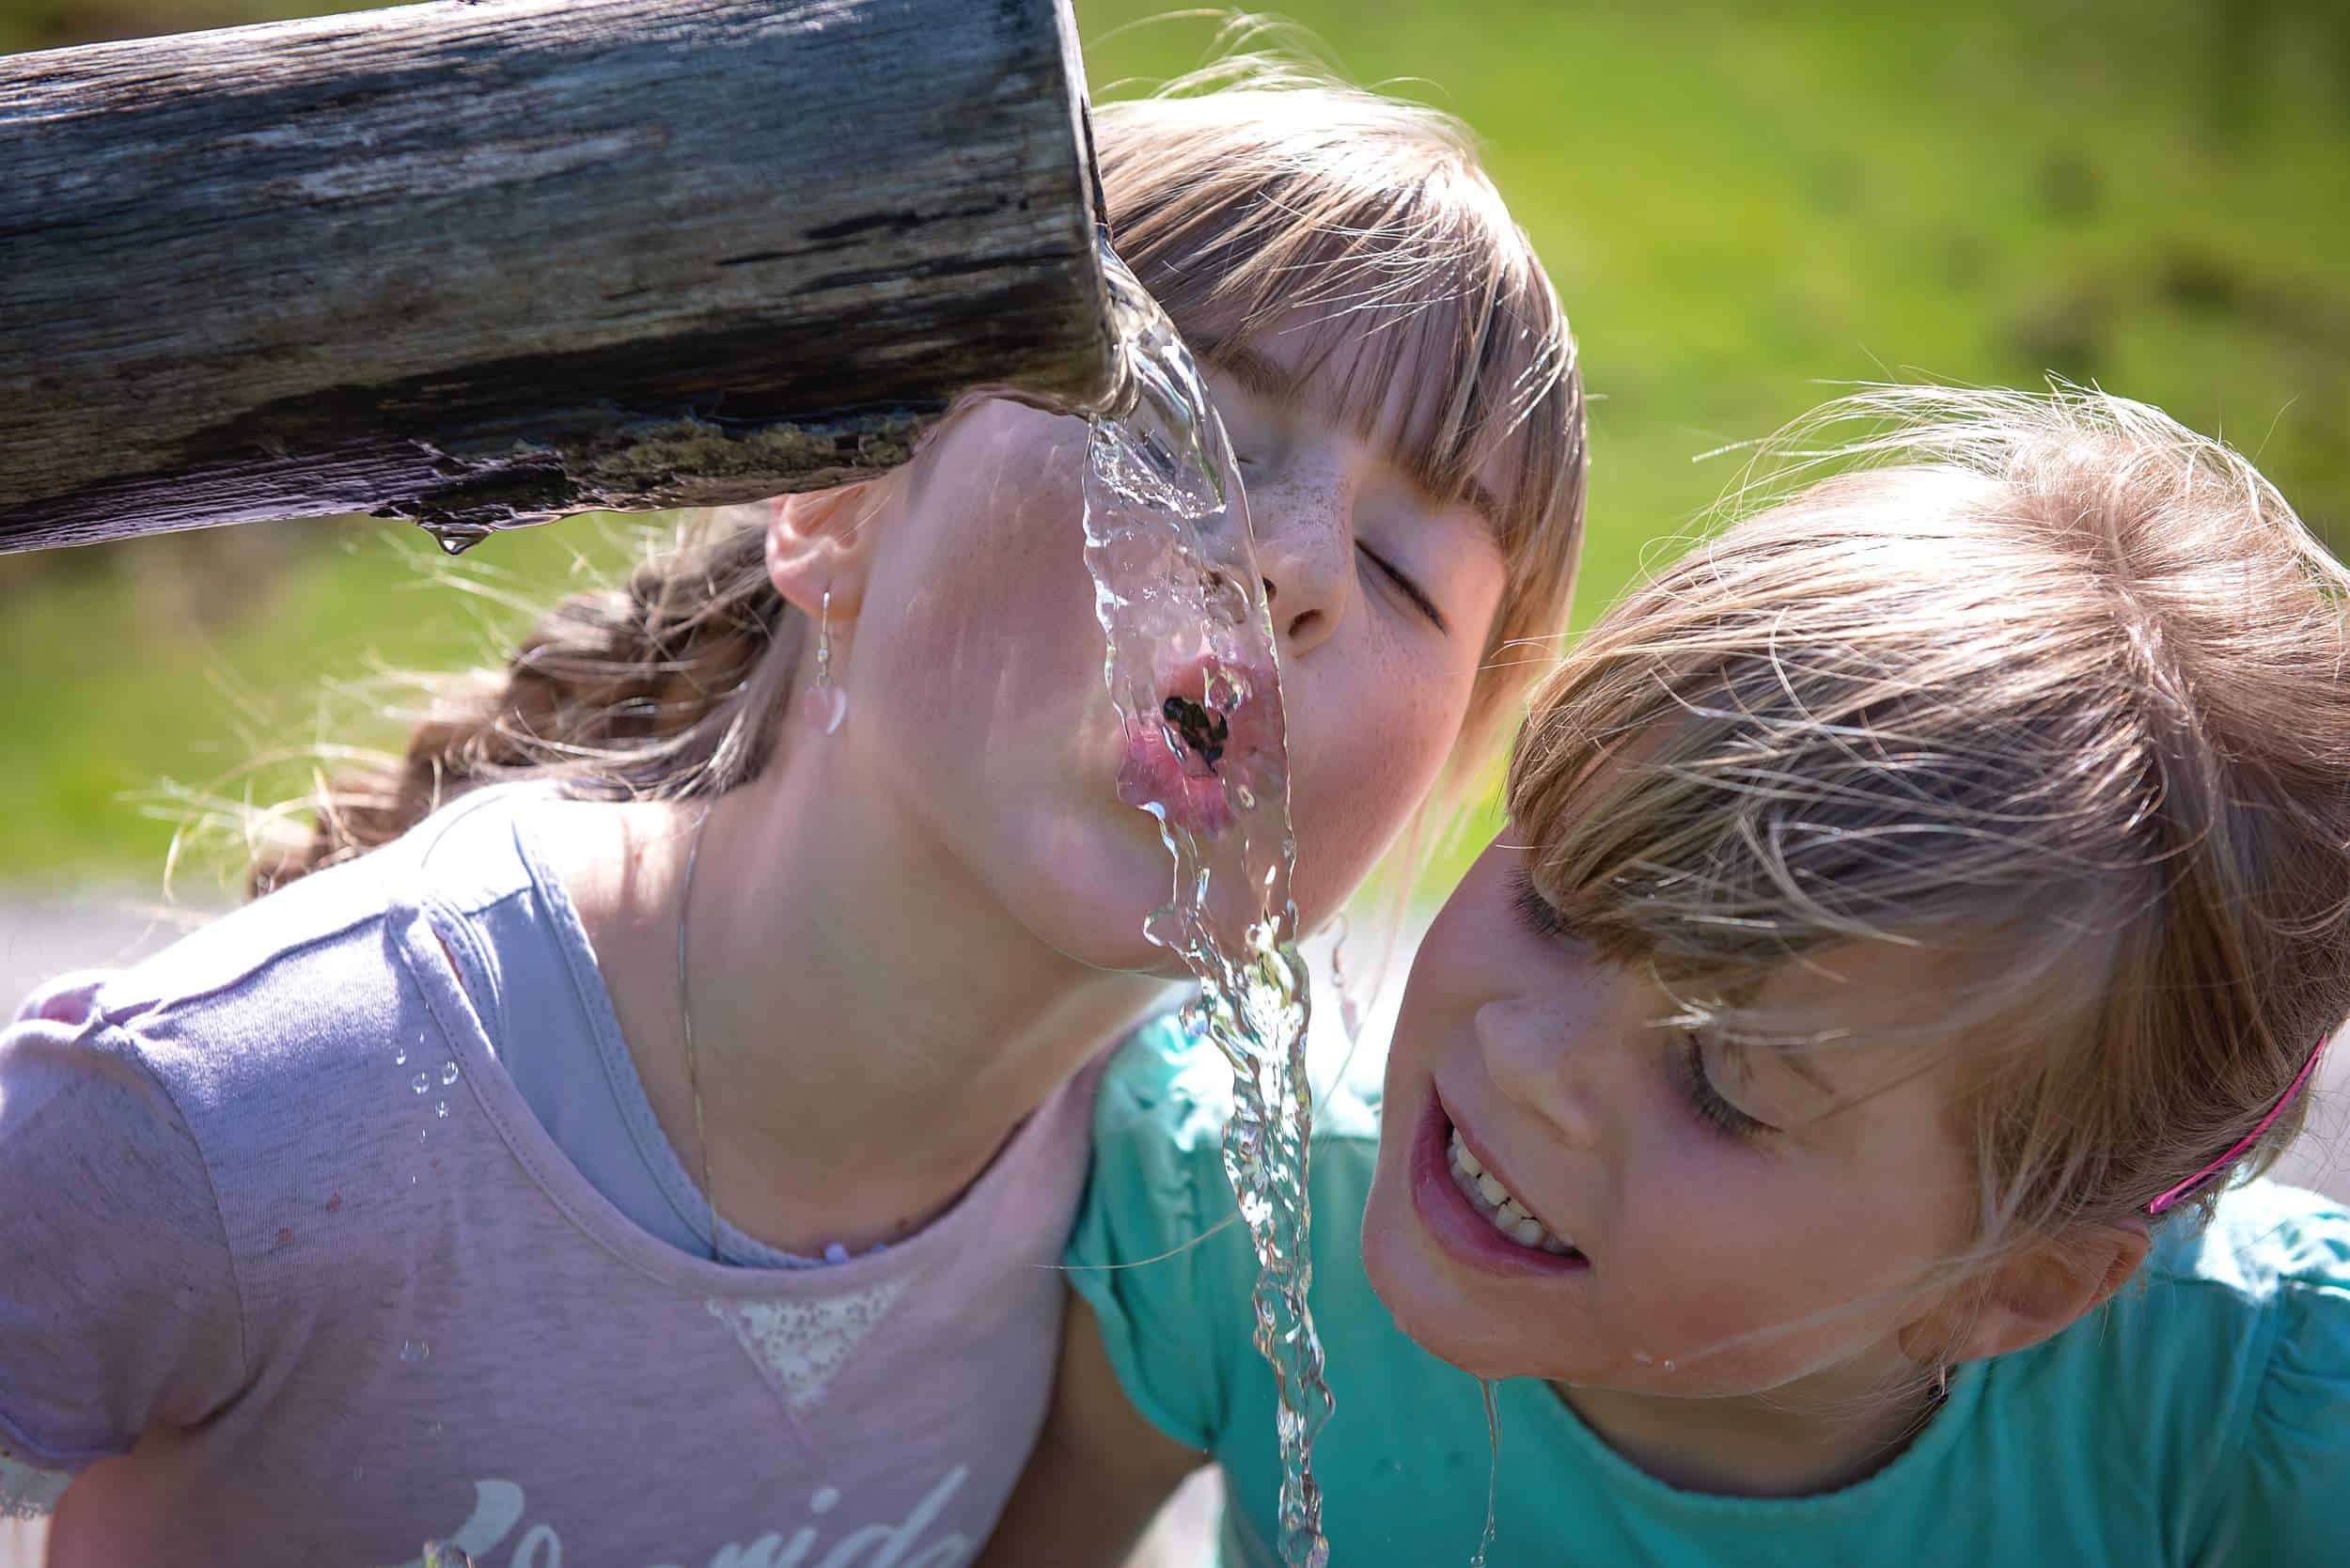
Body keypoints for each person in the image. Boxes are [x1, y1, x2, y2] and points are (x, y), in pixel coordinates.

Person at [0, 67, 1587, 1567]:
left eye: (1401, 574)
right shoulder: (264, 1103)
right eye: (1185, 438)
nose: (1292, 567)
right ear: (834, 508)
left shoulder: (1174, 1223)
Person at [992, 385, 2350, 1566]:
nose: (1531, 1055)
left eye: (1720, 1079)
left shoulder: (2250, 1432)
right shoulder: (1237, 1214)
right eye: (1559, 898)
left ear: (2014, 1288)